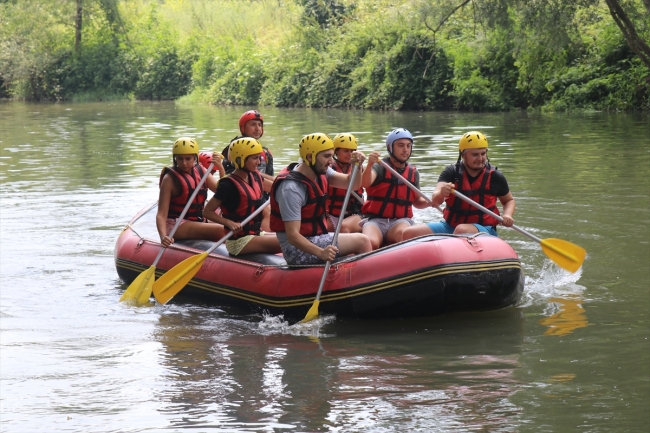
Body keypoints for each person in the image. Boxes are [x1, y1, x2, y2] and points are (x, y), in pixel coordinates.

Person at [269, 133, 372, 265]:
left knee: (361, 240)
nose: (331, 161)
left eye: (331, 155)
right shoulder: (291, 188)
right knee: (362, 241)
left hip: (316, 237)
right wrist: (321, 253)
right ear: (309, 157)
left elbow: (352, 183)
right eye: (326, 156)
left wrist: (357, 165)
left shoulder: (319, 170)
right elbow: (293, 236)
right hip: (295, 250)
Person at [402, 131, 515, 240]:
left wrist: (508, 215)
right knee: (408, 233)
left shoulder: (495, 176)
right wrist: (442, 193)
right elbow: (435, 200)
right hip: (451, 226)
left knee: (461, 230)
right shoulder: (451, 172)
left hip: (484, 229)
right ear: (463, 155)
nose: (480, 159)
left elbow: (509, 200)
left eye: (483, 153)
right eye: (475, 154)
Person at [202, 138, 281, 256]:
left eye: (259, 158)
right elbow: (207, 212)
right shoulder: (228, 184)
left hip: (256, 233)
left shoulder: (255, 176)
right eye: (254, 158)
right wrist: (228, 222)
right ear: (240, 159)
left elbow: (276, 189)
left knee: (292, 236)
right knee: (288, 241)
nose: (258, 162)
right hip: (239, 241)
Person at [360, 128, 431, 250]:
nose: (405, 150)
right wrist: (370, 164)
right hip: (376, 221)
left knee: (404, 236)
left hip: (400, 221)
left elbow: (417, 202)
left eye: (409, 146)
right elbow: (365, 183)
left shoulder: (413, 173)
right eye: (401, 145)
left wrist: (431, 202)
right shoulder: (380, 167)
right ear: (390, 147)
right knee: (370, 242)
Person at [156, 137, 225, 248]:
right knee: (224, 229)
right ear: (175, 159)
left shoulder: (201, 170)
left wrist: (221, 168)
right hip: (176, 224)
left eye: (188, 159)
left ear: (195, 157)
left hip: (197, 220)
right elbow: (161, 214)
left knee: (230, 223)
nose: (184, 163)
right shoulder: (169, 179)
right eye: (180, 159)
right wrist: (163, 236)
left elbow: (222, 191)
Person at [326, 133, 364, 233]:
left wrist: (358, 165)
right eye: (346, 151)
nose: (350, 154)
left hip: (356, 215)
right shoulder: (327, 169)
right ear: (336, 152)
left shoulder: (359, 169)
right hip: (332, 215)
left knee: (343, 227)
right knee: (318, 227)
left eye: (352, 151)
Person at [221, 110, 274, 180]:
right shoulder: (236, 147)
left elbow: (270, 175)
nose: (257, 129)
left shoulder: (266, 153)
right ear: (243, 128)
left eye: (259, 125)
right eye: (253, 125)